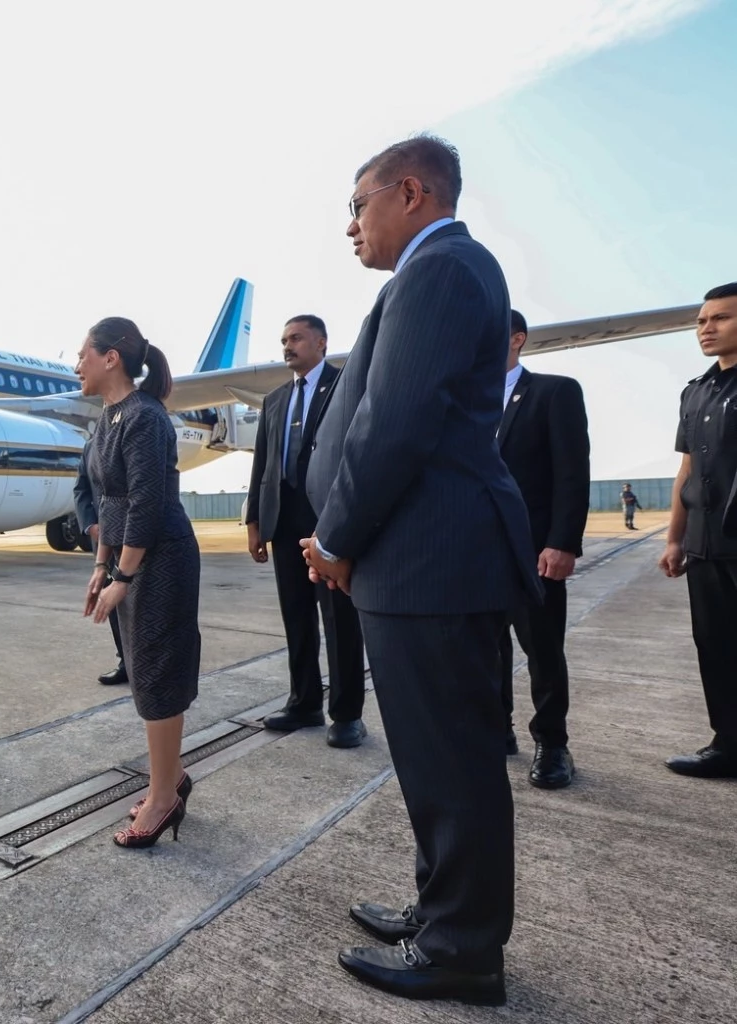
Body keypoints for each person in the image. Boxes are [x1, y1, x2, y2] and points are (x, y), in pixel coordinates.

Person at [301, 134, 539, 1005]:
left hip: (431, 561)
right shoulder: (439, 270)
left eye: (356, 206)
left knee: (453, 763)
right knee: (433, 760)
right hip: (417, 560)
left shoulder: (439, 270)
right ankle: (441, 911)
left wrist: (334, 538)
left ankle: (461, 951)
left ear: (409, 193)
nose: (350, 227)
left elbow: (394, 423)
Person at [77, 317, 202, 849]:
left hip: (163, 558)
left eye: (82, 354)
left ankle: (162, 798)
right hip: (133, 557)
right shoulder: (108, 418)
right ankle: (171, 778)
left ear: (111, 358)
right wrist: (101, 566)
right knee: (146, 670)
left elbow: (147, 503)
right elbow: (109, 501)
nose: (76, 365)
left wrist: (123, 576)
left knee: (156, 673)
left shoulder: (145, 417)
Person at [245, 315, 367, 748]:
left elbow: (358, 452)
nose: (287, 346)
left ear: (321, 342)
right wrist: (254, 521)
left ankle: (347, 714)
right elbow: (262, 463)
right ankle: (304, 703)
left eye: (296, 338)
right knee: (296, 617)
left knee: (339, 621)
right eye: (284, 339)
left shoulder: (346, 386)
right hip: (284, 521)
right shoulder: (275, 399)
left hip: (328, 520)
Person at [495, 309, 590, 787]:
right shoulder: (460, 400)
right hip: (472, 553)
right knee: (484, 649)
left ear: (517, 339)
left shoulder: (554, 392)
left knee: (543, 650)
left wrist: (562, 543)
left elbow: (572, 473)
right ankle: (497, 730)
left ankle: (552, 743)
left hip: (534, 551)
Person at [657, 282, 737, 779]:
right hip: (706, 546)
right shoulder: (696, 392)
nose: (707, 328)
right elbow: (686, 470)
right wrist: (674, 538)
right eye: (701, 321)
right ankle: (728, 745)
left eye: (721, 318)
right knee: (716, 647)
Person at [74, 443, 127, 686]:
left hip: (137, 538)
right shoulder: (90, 446)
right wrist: (90, 526)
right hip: (104, 542)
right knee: (114, 607)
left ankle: (146, 663)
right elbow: (81, 489)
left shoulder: (131, 434)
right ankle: (126, 662)